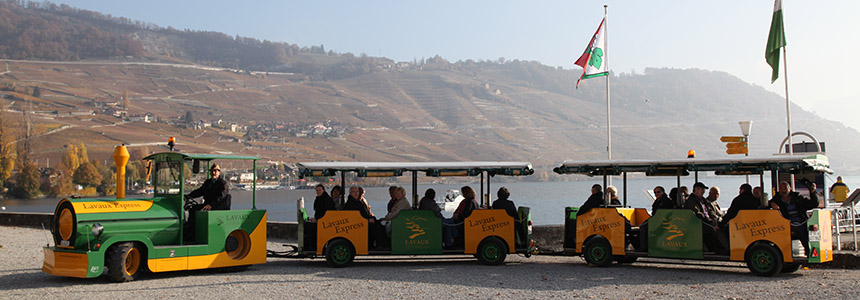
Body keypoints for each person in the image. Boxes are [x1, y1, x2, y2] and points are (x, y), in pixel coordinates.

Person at [769, 180, 819, 255]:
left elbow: (813, 204)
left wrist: (813, 192)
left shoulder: (798, 198)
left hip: (801, 221)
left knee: (811, 228)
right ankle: (808, 250)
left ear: (790, 189)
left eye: (785, 188)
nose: (783, 190)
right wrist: (771, 204)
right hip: (786, 223)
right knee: (801, 229)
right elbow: (767, 206)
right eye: (781, 189)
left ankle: (813, 251)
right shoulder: (776, 200)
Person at [184, 164, 230, 241]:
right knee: (192, 209)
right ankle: (190, 233)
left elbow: (221, 197)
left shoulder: (223, 184)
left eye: (215, 171)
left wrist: (211, 205)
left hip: (217, 207)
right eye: (212, 171)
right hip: (207, 205)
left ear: (219, 172)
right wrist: (189, 196)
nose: (213, 173)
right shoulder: (207, 182)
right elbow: (200, 191)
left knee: (203, 210)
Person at [685, 182, 725, 254]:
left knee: (722, 227)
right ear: (696, 190)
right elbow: (698, 214)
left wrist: (714, 219)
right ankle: (716, 249)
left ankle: (722, 248)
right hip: (699, 223)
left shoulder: (703, 200)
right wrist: (710, 222)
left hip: (708, 221)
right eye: (702, 189)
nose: (703, 191)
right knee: (713, 230)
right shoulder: (691, 201)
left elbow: (710, 210)